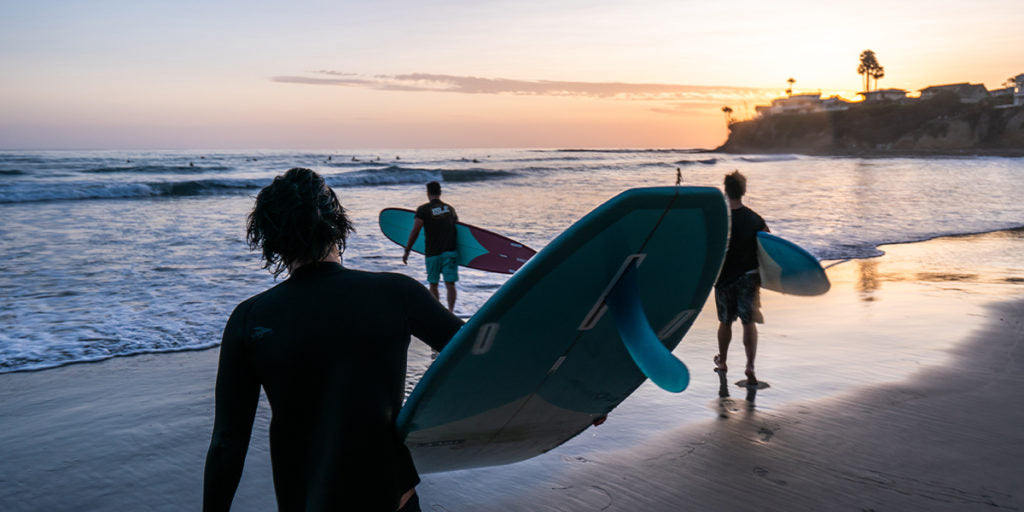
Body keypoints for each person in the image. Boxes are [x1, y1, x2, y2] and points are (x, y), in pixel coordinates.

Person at [203, 168, 462, 512]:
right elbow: (477, 355)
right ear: (337, 222)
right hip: (391, 499)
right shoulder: (396, 293)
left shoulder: (249, 319)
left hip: (307, 502)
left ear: (269, 236)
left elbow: (227, 443)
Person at [713, 170, 769, 385]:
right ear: (743, 191)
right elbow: (769, 244)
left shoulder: (720, 220)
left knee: (725, 322)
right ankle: (750, 366)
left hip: (724, 278)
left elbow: (709, 247)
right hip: (748, 277)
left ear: (726, 191)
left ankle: (723, 362)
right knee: (748, 322)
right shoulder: (754, 218)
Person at [402, 181, 458, 313]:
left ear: (428, 193)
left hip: (433, 253)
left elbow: (415, 230)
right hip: (450, 251)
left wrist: (407, 250)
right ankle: (451, 312)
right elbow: (457, 228)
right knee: (450, 284)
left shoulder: (423, 210)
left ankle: (439, 314)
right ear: (440, 192)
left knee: (433, 284)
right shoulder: (450, 209)